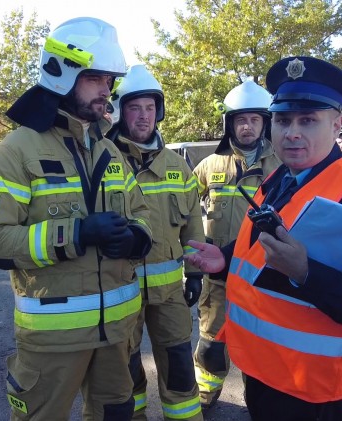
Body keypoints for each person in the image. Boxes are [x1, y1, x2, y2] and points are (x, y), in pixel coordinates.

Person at [183, 56, 342, 421]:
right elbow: (263, 254)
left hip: (310, 390)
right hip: (262, 371)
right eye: (283, 120)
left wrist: (307, 273)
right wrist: (225, 258)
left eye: (308, 121)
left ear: (338, 124)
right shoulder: (280, 179)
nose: (292, 133)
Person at [0, 17, 153, 421]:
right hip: (52, 341)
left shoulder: (108, 151)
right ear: (61, 74)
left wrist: (135, 240)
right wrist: (77, 233)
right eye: (95, 78)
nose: (107, 90)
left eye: (109, 80)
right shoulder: (16, 150)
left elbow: (141, 214)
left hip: (116, 336)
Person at [105, 64, 205, 420]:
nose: (144, 116)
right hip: (120, 292)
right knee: (125, 367)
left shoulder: (178, 166)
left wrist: (195, 274)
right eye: (135, 108)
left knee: (179, 363)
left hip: (169, 295)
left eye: (150, 108)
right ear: (120, 112)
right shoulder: (102, 160)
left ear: (159, 112)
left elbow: (194, 225)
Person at [191, 79, 281, 408]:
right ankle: (205, 395)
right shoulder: (211, 165)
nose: (247, 127)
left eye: (254, 119)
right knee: (212, 344)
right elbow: (183, 207)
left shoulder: (281, 167)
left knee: (259, 346)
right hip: (217, 277)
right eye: (240, 120)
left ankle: (259, 404)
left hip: (262, 277)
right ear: (230, 124)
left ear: (264, 122)